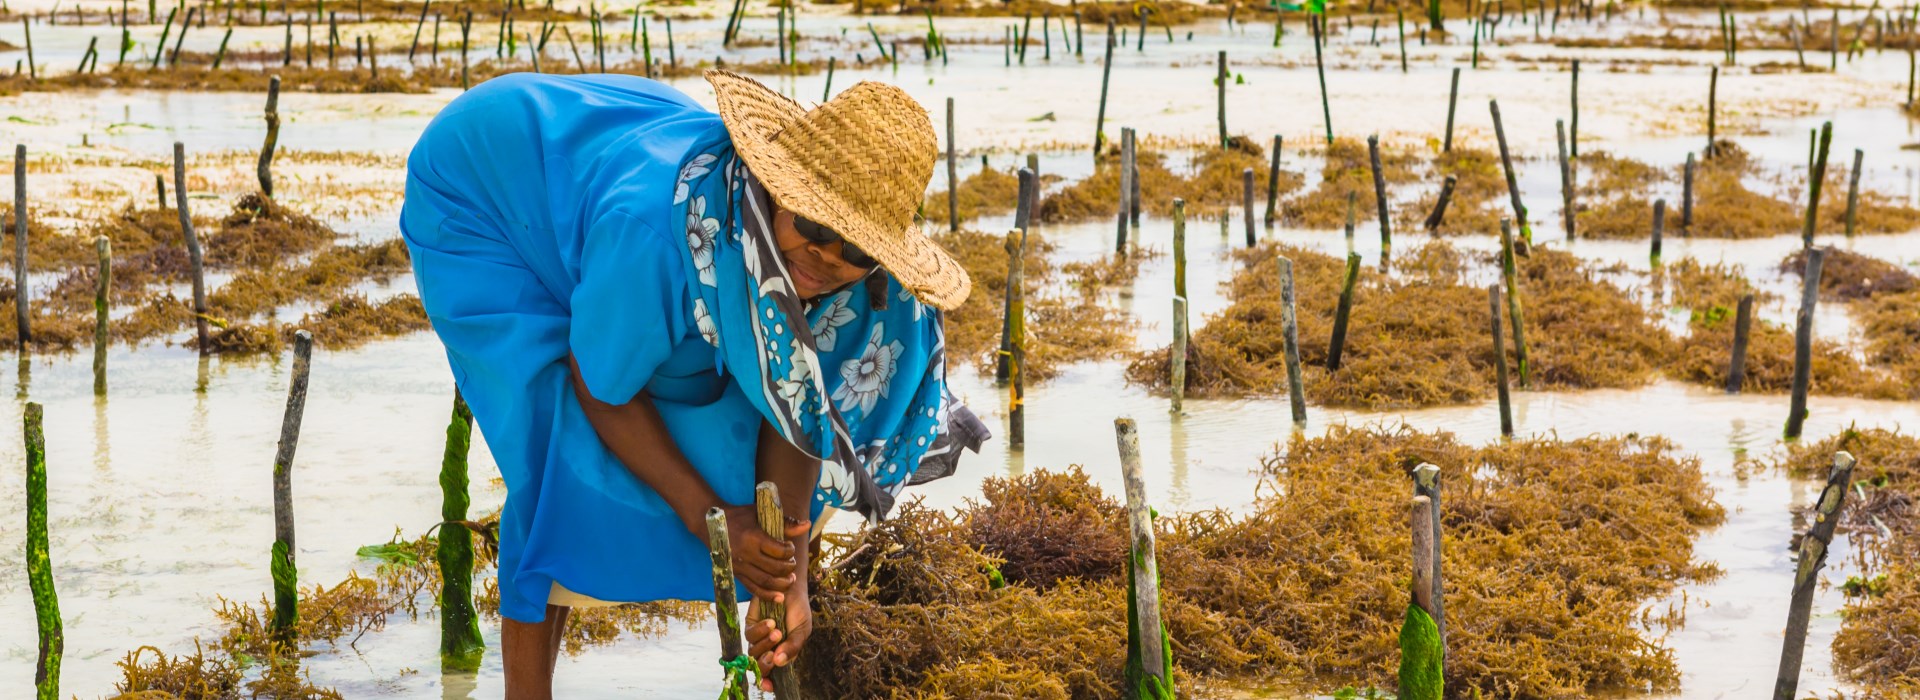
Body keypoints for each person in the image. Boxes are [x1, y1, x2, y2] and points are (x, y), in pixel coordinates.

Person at [399, 69, 988, 698]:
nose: (826, 257)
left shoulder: (854, 288)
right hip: (485, 188)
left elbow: (796, 406)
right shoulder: (657, 234)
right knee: (560, 453)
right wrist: (713, 518)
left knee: (711, 404)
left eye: (857, 251)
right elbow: (598, 387)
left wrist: (790, 576)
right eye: (815, 226)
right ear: (773, 189)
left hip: (608, 163)